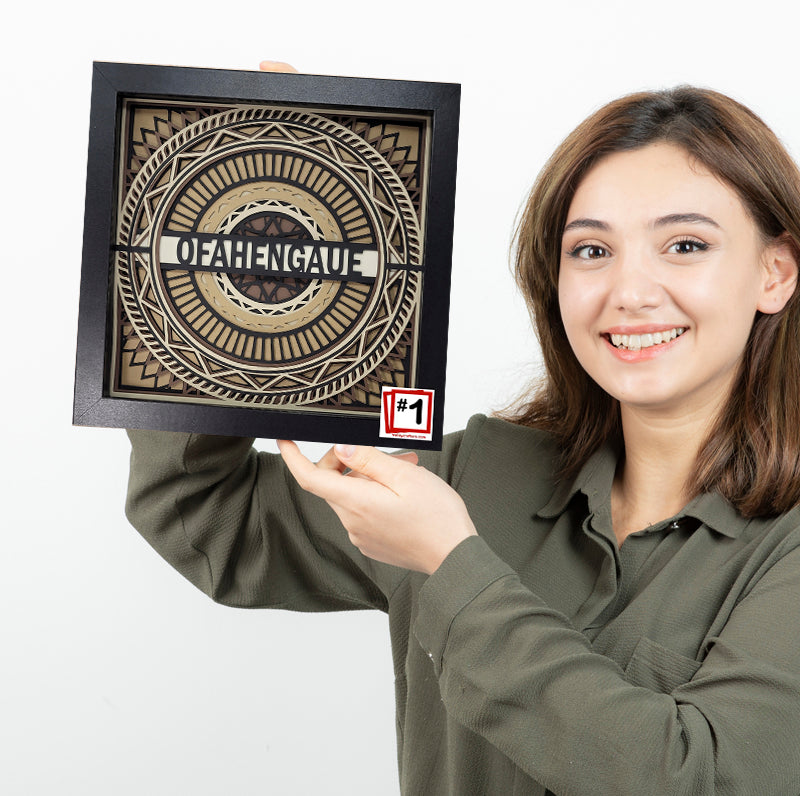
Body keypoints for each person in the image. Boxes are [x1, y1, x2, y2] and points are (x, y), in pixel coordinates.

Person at [125, 83, 800, 794]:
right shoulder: (473, 473)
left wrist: (452, 566)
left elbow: (703, 777)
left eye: (685, 245)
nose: (629, 291)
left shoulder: (785, 545)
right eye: (591, 250)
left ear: (774, 272)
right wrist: (222, 233)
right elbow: (204, 513)